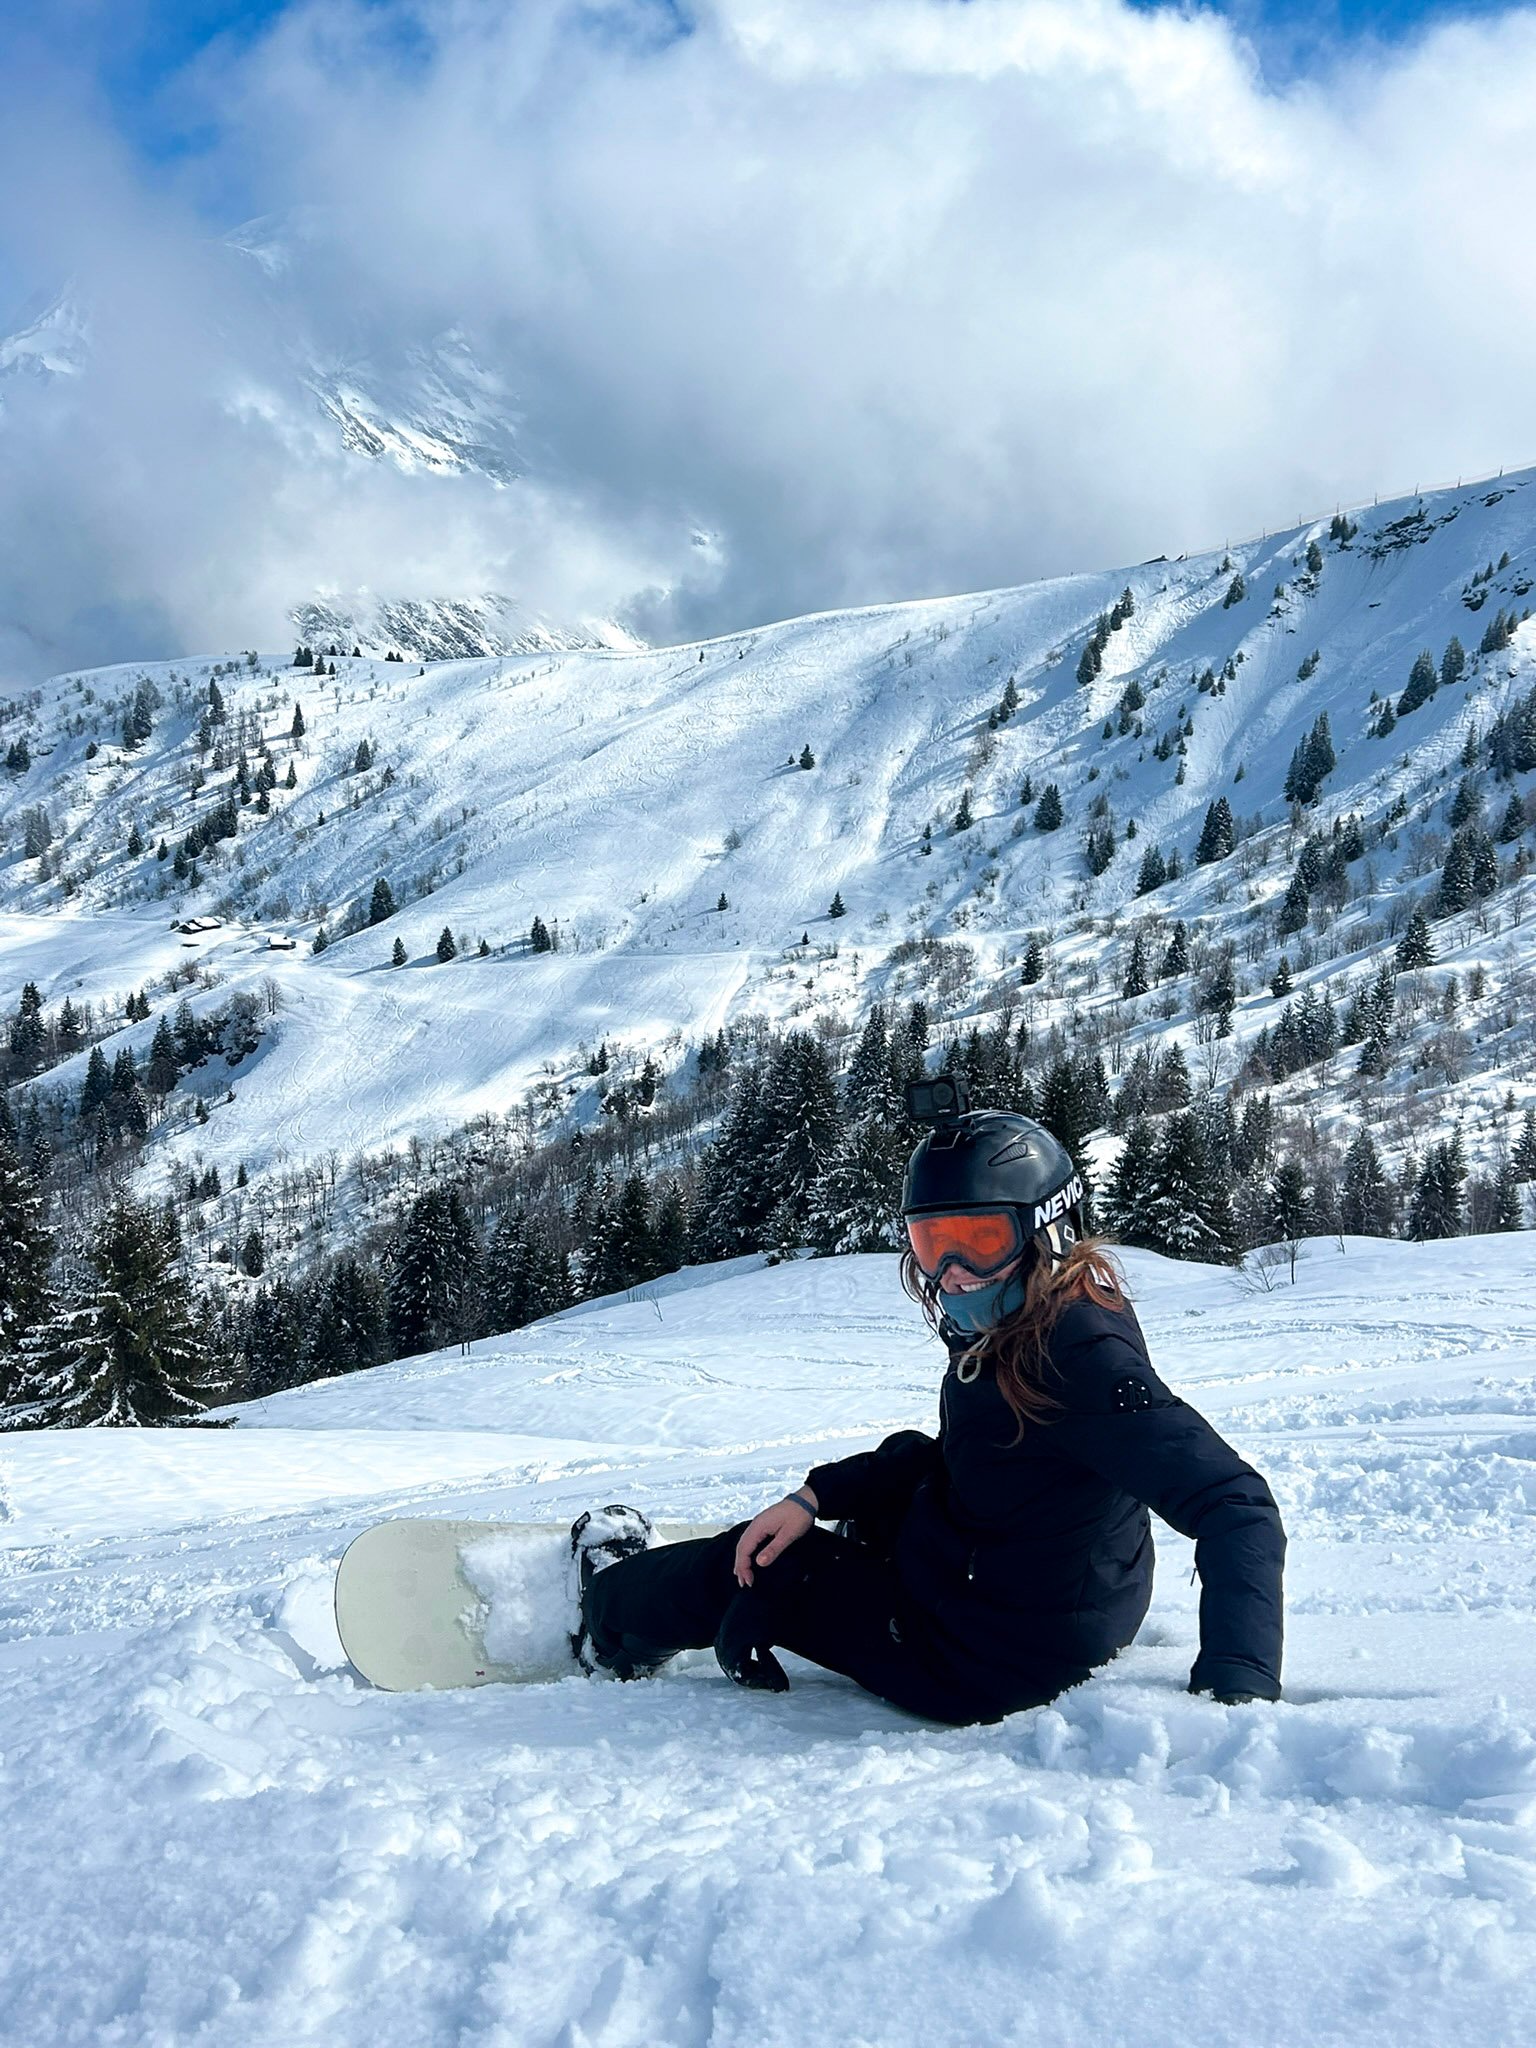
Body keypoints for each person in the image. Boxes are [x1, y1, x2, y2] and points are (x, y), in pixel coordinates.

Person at [576, 1101, 1286, 1726]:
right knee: (898, 1469)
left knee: (759, 1562)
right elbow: (976, 1456)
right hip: (1048, 1591)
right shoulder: (1038, 1313)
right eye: (930, 1242)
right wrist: (817, 1493)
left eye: (978, 1242)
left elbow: (1236, 1503)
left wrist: (1236, 1692)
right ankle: (846, 1554)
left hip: (988, 1662)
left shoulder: (1082, 1362)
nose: (950, 1274)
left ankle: (603, 1625)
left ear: (1050, 1232)